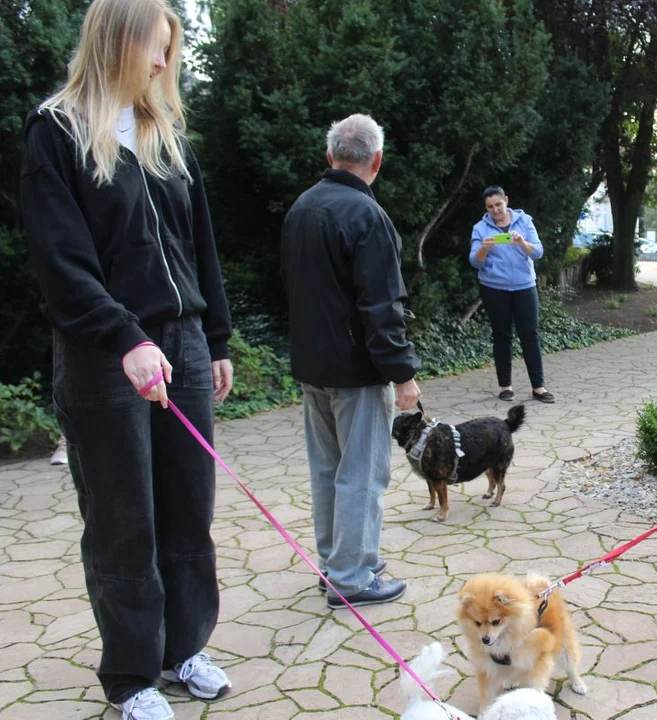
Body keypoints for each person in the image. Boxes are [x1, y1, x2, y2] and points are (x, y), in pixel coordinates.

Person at [20, 0, 234, 717]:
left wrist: (219, 339)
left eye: (170, 48)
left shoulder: (165, 133)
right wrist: (125, 338)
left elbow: (199, 245)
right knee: (124, 523)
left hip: (185, 346)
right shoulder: (56, 130)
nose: (162, 62)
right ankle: (133, 676)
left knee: (188, 513)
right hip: (104, 359)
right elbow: (61, 262)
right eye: (154, 46)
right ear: (116, 41)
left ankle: (184, 649)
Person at [280, 113, 420, 610]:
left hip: (312, 367)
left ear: (330, 156)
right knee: (361, 473)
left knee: (328, 470)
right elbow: (381, 307)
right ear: (377, 161)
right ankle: (353, 577)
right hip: (356, 372)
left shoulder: (301, 208)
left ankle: (337, 565)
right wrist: (402, 374)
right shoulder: (367, 216)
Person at [469, 186, 554, 403]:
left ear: (506, 200)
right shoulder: (480, 228)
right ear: (486, 208)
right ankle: (505, 387)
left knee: (530, 335)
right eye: (490, 207)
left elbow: (538, 252)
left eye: (498, 204)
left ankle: (539, 387)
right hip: (494, 289)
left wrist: (522, 243)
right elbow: (475, 262)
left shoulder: (524, 222)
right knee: (501, 336)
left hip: (525, 287)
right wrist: (484, 248)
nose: (495, 210)